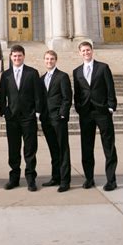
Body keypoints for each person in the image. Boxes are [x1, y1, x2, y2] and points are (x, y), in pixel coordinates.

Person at [73, 40, 118, 191]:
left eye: (88, 50)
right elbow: (77, 92)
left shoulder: (103, 68)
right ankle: (89, 178)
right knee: (86, 147)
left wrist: (111, 107)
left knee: (108, 146)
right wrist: (79, 107)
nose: (86, 53)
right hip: (86, 113)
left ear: (92, 51)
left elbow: (110, 87)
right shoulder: (77, 71)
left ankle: (111, 180)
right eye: (83, 51)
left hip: (102, 112)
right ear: (79, 53)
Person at [0, 44, 41, 191]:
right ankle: (14, 178)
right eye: (14, 56)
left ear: (24, 56)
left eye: (19, 56)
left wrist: (36, 112)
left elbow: (38, 94)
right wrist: (4, 111)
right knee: (13, 149)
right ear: (10, 57)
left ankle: (30, 178)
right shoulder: (6, 75)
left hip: (28, 117)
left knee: (30, 149)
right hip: (12, 117)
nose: (17, 58)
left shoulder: (32, 73)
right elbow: (2, 95)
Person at [38, 50, 72, 192]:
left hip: (58, 119)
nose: (49, 61)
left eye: (52, 59)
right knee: (53, 149)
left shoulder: (62, 76)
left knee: (63, 149)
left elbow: (67, 97)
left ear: (56, 60)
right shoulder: (41, 78)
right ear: (44, 61)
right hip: (46, 119)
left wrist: (62, 114)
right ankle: (55, 177)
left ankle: (65, 181)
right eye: (47, 59)